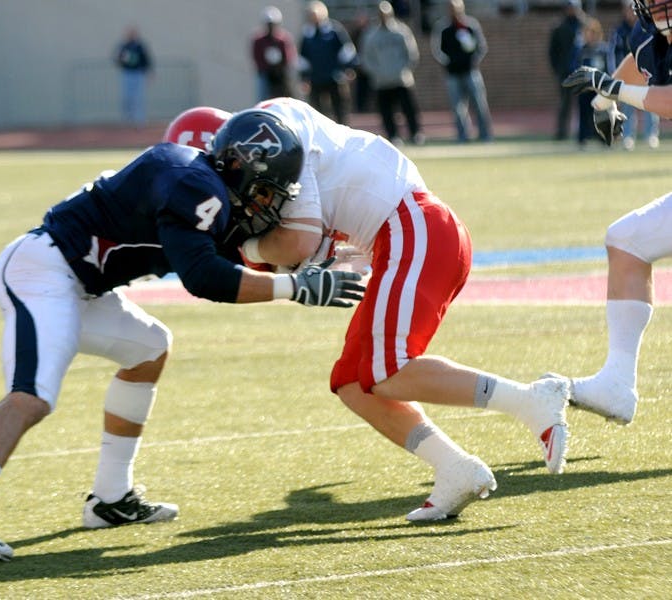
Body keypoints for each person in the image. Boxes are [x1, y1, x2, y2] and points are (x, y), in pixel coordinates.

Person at [0, 109, 365, 561]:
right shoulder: (191, 180)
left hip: (81, 284)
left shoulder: (204, 188)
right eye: (265, 190)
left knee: (149, 349)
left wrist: (314, 262)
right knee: (32, 396)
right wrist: (295, 288)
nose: (267, 203)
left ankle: (111, 498)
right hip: (44, 271)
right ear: (238, 165)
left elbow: (243, 258)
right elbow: (205, 277)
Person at [163, 99, 571, 523]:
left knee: (387, 369)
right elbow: (313, 249)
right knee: (353, 382)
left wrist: (244, 249)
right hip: (400, 238)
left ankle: (531, 400)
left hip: (414, 227)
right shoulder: (276, 144)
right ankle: (454, 467)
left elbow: (298, 245)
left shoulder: (279, 131)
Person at [556, 0, 672, 425]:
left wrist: (615, 92)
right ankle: (616, 384)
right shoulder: (649, 36)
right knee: (626, 240)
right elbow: (626, 71)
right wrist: (602, 104)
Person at [360, 1, 424, 146]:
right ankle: (393, 135)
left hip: (401, 79)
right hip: (381, 81)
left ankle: (415, 134)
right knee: (386, 112)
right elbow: (366, 58)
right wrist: (377, 73)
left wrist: (402, 70)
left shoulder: (401, 31)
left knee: (408, 108)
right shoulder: (371, 35)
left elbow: (412, 54)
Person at [430, 0, 493, 143]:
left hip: (471, 71)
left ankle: (485, 135)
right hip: (452, 74)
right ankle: (463, 136)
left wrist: (474, 61)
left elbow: (481, 46)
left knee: (479, 104)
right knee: (457, 107)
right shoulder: (443, 28)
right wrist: (447, 63)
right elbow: (437, 50)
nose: (454, 11)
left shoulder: (470, 25)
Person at [609, 0, 660, 150]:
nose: (631, 13)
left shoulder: (648, 28)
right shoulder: (619, 31)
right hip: (628, 75)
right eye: (628, 9)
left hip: (646, 73)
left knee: (650, 105)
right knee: (627, 107)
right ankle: (628, 136)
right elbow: (612, 54)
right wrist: (616, 74)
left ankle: (651, 135)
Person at [298, 1, 357, 125]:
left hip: (334, 76)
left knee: (339, 107)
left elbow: (347, 51)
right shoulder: (307, 33)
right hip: (316, 78)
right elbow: (303, 59)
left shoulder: (334, 30)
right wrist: (304, 78)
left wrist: (349, 68)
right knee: (317, 110)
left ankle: (343, 131)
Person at [549, 0, 585, 141]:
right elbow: (552, 52)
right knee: (565, 103)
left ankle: (586, 132)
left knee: (585, 103)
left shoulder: (585, 25)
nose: (571, 10)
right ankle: (562, 133)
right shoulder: (559, 28)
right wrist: (557, 69)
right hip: (566, 72)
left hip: (583, 71)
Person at [573, 17, 611, 148]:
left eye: (593, 32)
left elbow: (608, 68)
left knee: (602, 113)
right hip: (585, 87)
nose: (590, 35)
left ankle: (603, 138)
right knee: (584, 113)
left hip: (599, 87)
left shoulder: (603, 50)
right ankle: (583, 138)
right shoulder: (581, 50)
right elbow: (576, 67)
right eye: (588, 32)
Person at [251, 6, 297, 102]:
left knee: (285, 97)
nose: (271, 27)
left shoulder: (283, 39)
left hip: (281, 74)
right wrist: (267, 68)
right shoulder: (259, 40)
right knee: (262, 97)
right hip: (265, 73)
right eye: (269, 24)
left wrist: (279, 69)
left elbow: (289, 56)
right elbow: (256, 57)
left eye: (273, 24)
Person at [115, 26, 152, 127]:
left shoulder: (140, 46)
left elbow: (147, 60)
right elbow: (118, 60)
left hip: (138, 74)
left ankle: (140, 121)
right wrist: (120, 59)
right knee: (127, 97)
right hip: (127, 74)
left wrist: (149, 73)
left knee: (139, 98)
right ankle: (127, 120)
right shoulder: (124, 46)